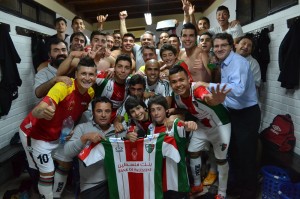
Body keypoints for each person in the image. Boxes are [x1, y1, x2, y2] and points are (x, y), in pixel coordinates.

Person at [19, 57, 97, 199]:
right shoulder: (63, 87)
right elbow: (39, 109)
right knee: (46, 171)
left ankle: (56, 196)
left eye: (91, 74)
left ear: (96, 76)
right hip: (35, 133)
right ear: (76, 75)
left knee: (65, 162)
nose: (87, 78)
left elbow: (78, 112)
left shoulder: (90, 93)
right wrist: (42, 111)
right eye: (83, 74)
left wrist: (71, 128)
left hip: (57, 134)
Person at [168, 64, 231, 198]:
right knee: (192, 151)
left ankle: (222, 193)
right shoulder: (177, 96)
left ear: (188, 79)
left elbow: (207, 98)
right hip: (202, 125)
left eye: (181, 80)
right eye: (174, 82)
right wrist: (176, 110)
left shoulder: (196, 89)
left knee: (221, 159)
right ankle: (197, 185)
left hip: (221, 125)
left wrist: (215, 100)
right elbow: (187, 107)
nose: (178, 84)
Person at [210, 33, 261, 199]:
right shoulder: (224, 63)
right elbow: (229, 94)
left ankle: (249, 192)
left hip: (247, 114)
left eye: (223, 45)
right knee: (234, 153)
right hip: (234, 112)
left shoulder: (238, 62)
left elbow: (237, 90)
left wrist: (209, 86)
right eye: (216, 46)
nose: (219, 49)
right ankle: (238, 187)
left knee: (246, 155)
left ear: (231, 45)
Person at [64, 96, 124, 199]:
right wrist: (84, 138)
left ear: (112, 113)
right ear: (93, 112)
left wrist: (131, 137)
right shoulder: (82, 128)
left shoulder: (120, 130)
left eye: (107, 111)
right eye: (99, 111)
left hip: (117, 182)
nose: (103, 115)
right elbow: (67, 152)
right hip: (92, 185)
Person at [147, 95, 198, 198]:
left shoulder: (175, 123)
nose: (156, 113)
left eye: (159, 109)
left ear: (166, 110)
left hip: (178, 182)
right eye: (152, 110)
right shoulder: (150, 128)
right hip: (159, 182)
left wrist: (190, 124)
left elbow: (185, 126)